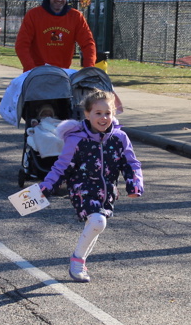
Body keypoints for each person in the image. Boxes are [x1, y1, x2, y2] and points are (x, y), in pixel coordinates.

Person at [39, 89, 143, 282]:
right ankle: (77, 261)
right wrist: (47, 186)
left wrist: (134, 184)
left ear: (113, 114)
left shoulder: (120, 138)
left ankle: (80, 261)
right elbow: (62, 166)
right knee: (98, 222)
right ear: (87, 114)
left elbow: (131, 163)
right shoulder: (77, 139)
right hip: (82, 189)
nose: (103, 118)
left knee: (96, 224)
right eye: (98, 113)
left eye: (108, 113)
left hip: (107, 192)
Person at [15, 0, 96, 71]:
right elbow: (21, 45)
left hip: (62, 73)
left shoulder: (76, 17)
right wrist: (31, 69)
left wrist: (88, 69)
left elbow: (88, 44)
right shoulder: (33, 15)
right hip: (37, 72)